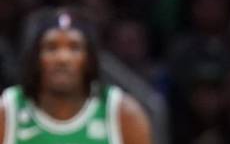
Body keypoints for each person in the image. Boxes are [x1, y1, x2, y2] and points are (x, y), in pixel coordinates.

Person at [0, 8, 152, 144]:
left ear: (90, 59)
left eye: (74, 47)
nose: (63, 58)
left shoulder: (123, 113)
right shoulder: (7, 110)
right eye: (51, 47)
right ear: (35, 57)